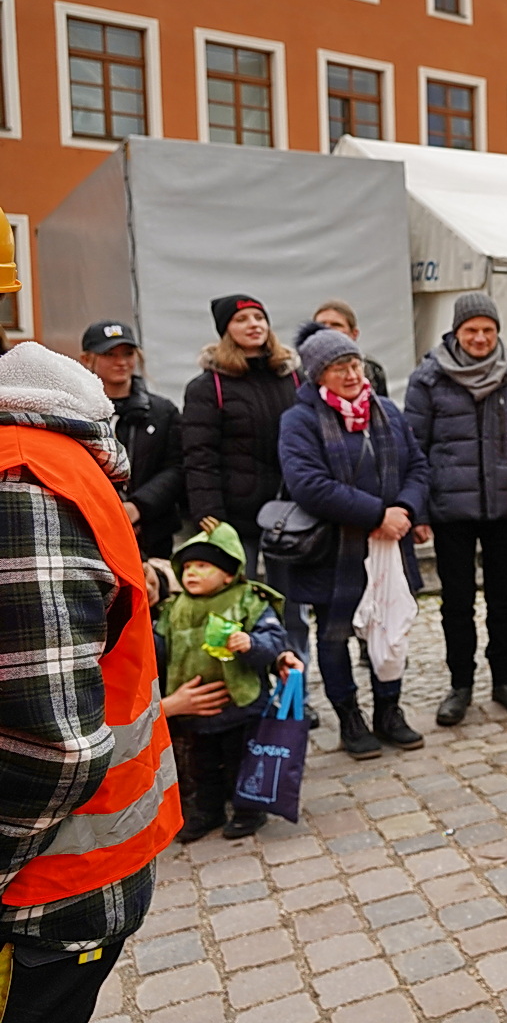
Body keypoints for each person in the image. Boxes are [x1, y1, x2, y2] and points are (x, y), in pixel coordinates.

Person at [0, 341, 180, 1023]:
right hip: (63, 870)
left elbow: (51, 742)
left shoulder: (21, 478)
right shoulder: (51, 463)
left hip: (45, 891)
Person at [278, 327, 430, 759]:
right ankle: (350, 718)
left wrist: (403, 510)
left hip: (390, 546)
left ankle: (389, 711)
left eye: (354, 364)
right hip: (333, 549)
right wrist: (375, 515)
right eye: (337, 367)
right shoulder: (300, 420)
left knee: (391, 626)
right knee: (334, 636)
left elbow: (417, 466)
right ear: (317, 375)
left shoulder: (385, 410)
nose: (349, 373)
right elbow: (307, 484)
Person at [404, 292, 507, 728]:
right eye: (472, 330)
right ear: (456, 332)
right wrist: (419, 510)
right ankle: (460, 684)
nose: (480, 338)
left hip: (506, 505)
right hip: (451, 508)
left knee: (502, 599)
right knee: (457, 601)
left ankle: (505, 681)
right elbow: (415, 447)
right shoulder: (429, 378)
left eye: (488, 330)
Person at [182, 294, 314, 717]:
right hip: (235, 520)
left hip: (289, 516)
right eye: (242, 319)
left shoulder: (290, 378)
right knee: (237, 611)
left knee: (291, 610)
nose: (254, 325)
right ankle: (247, 694)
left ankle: (297, 696)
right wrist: (210, 514)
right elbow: (199, 454)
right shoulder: (209, 386)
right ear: (226, 331)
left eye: (260, 317)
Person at [158, 520, 298, 843]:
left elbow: (275, 639)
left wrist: (251, 643)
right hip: (195, 706)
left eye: (203, 566)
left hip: (240, 703)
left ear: (229, 573)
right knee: (202, 766)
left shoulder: (248, 599)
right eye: (188, 566)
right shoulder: (176, 607)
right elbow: (159, 644)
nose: (192, 572)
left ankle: (250, 809)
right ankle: (209, 810)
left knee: (241, 761)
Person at [80, 320, 182, 559]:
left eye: (128, 353)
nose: (121, 362)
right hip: (92, 529)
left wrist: (138, 507)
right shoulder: (77, 413)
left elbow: (178, 467)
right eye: (109, 354)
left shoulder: (162, 410)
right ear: (86, 359)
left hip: (152, 531)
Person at [312, 299, 389, 398]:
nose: (327, 330)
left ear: (354, 334)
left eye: (336, 325)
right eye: (321, 325)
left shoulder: (373, 369)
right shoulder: (300, 372)